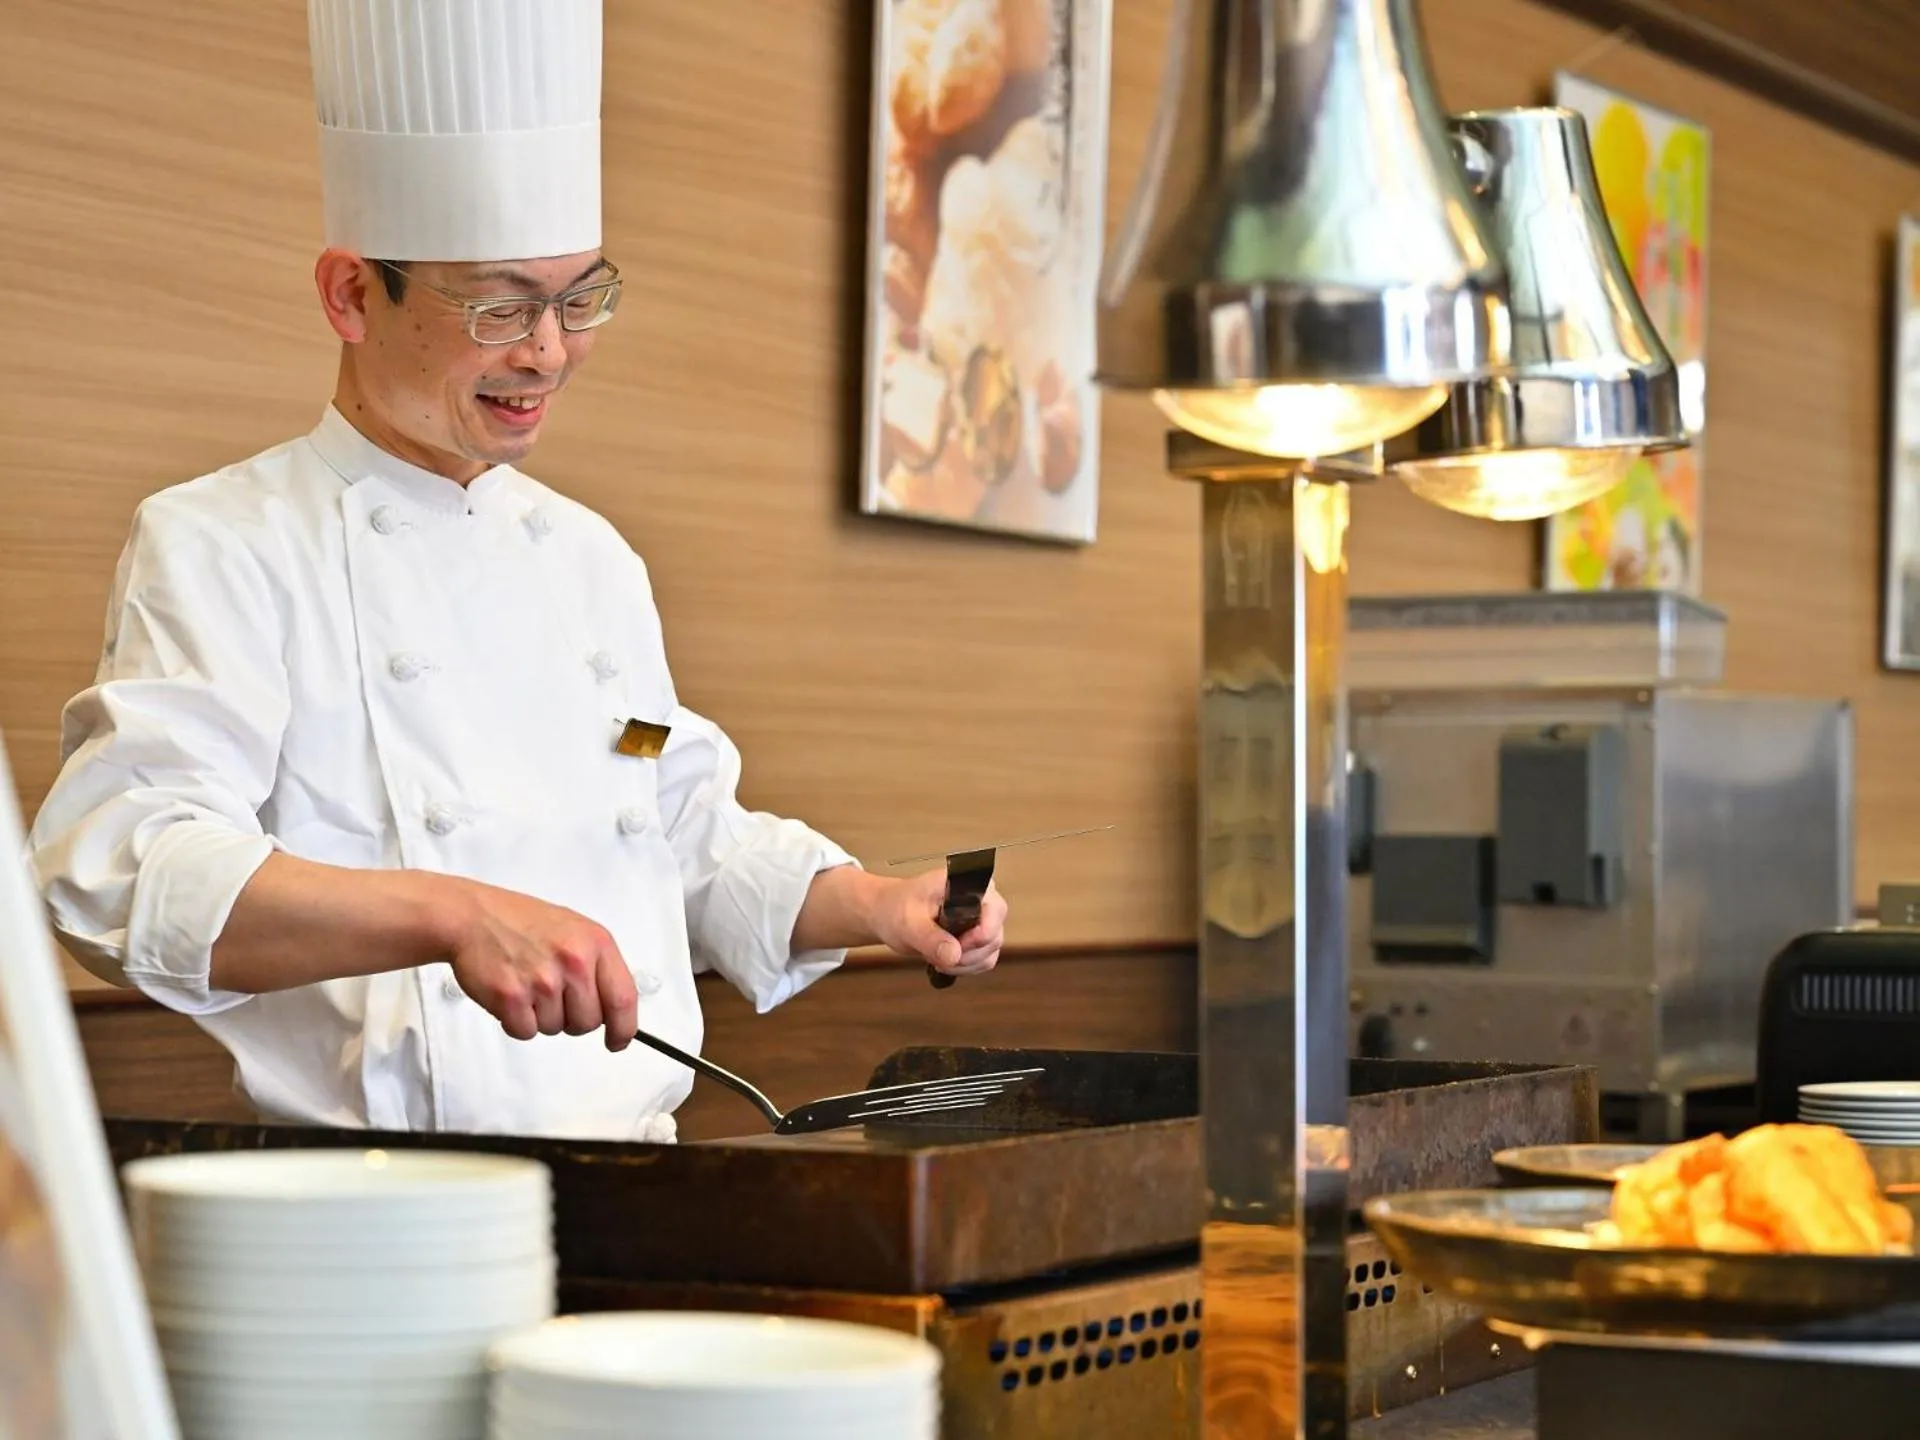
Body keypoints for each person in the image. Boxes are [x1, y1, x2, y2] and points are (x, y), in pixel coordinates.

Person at [27, 0, 1005, 1143]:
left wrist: (880, 905)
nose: (548, 350)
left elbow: (677, 823)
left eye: (579, 298)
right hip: (387, 1209)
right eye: (500, 304)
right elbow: (120, 864)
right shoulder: (225, 541)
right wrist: (450, 914)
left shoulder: (592, 558)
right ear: (352, 293)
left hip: (644, 1189)